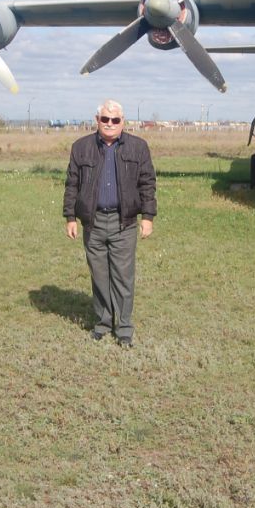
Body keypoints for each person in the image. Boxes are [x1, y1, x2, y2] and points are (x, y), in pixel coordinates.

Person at [63, 99, 156, 348]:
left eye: (115, 120)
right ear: (97, 120)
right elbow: (72, 184)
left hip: (123, 222)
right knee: (99, 275)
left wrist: (147, 217)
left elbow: (147, 183)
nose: (110, 124)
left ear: (123, 122)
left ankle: (123, 327)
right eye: (105, 119)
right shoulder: (81, 147)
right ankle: (103, 322)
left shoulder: (138, 147)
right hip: (92, 222)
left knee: (123, 276)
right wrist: (70, 217)